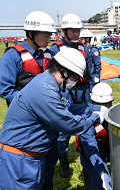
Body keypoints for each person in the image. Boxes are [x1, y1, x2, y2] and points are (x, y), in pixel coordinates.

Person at [0, 48, 107, 190]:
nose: (74, 82)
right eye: (74, 78)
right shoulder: (44, 90)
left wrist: (97, 109)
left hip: (30, 158)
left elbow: (68, 107)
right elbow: (69, 124)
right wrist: (95, 118)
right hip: (19, 161)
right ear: (64, 71)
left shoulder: (48, 83)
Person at [48, 13, 93, 180]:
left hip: (83, 91)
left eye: (78, 31)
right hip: (65, 92)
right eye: (72, 31)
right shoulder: (55, 50)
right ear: (64, 31)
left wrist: (91, 90)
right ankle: (63, 159)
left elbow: (89, 71)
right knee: (62, 130)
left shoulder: (84, 49)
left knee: (86, 121)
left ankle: (86, 157)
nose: (76, 34)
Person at [0, 11, 56, 107]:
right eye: (46, 36)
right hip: (24, 114)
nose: (48, 40)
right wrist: (32, 103)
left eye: (50, 36)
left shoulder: (50, 55)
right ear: (31, 34)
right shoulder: (12, 56)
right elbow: (5, 89)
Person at [76, 82, 113, 190]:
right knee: (99, 185)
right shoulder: (86, 122)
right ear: (93, 103)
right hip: (90, 156)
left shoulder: (111, 113)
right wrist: (102, 173)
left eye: (107, 105)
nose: (104, 108)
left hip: (106, 151)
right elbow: (92, 152)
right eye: (100, 105)